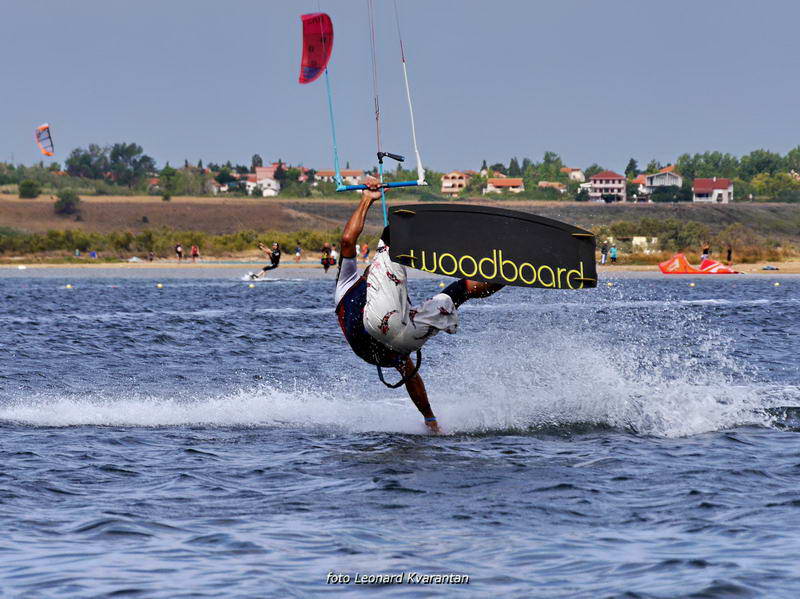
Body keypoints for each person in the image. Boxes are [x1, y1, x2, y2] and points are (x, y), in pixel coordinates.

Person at [335, 177, 503, 433]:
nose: (372, 271)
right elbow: (348, 242)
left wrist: (430, 419)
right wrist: (367, 200)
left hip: (400, 339)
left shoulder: (381, 299)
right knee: (390, 250)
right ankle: (401, 236)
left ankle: (505, 276)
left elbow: (411, 378)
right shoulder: (351, 282)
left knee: (458, 291)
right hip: (374, 329)